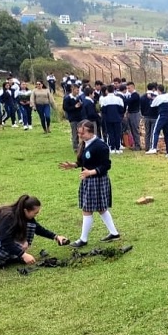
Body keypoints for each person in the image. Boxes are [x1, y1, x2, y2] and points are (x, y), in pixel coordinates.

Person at [58, 120, 121, 248]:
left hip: (97, 180)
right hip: (89, 179)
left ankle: (83, 239)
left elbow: (106, 166)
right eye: (79, 133)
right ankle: (114, 233)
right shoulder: (85, 144)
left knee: (87, 210)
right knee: (101, 208)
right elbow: (84, 162)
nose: (79, 135)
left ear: (91, 132)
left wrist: (91, 172)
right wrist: (74, 165)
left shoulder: (101, 146)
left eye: (82, 133)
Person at [0, 195, 70, 270]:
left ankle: (12, 256)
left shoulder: (21, 213)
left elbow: (37, 228)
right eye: (35, 213)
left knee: (30, 227)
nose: (37, 215)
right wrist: (23, 254)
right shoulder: (8, 217)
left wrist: (56, 237)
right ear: (26, 210)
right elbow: (5, 241)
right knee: (21, 243)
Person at [146, 84, 168, 158]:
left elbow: (152, 105)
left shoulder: (159, 97)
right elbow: (162, 98)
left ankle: (153, 148)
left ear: (158, 90)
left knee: (156, 131)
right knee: (166, 134)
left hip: (162, 116)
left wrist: (151, 98)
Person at [99, 85, 125, 154]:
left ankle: (112, 147)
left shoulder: (104, 99)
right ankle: (118, 147)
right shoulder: (119, 99)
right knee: (117, 133)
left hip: (108, 119)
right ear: (114, 90)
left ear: (107, 90)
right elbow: (122, 109)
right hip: (117, 118)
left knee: (110, 133)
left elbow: (103, 109)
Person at [63, 84, 85, 152]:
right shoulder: (67, 98)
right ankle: (75, 147)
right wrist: (74, 107)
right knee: (75, 132)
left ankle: (81, 145)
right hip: (73, 118)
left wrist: (80, 105)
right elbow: (65, 108)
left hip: (79, 117)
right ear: (73, 89)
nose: (78, 91)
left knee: (81, 132)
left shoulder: (78, 98)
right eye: (77, 90)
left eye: (78, 90)